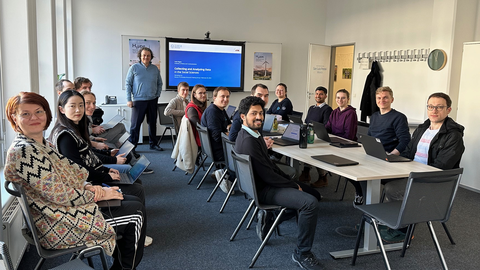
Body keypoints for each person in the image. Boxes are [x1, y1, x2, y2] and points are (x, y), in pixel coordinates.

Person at [4, 92, 146, 269]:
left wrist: (91, 188)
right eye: (25, 113)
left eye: (39, 112)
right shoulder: (24, 151)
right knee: (136, 213)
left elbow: (70, 173)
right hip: (57, 224)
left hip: (64, 209)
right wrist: (98, 194)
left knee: (130, 200)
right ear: (14, 117)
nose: (34, 117)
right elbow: (59, 194)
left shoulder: (39, 144)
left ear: (47, 114)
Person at [235, 96, 322, 270]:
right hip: (264, 189)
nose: (259, 117)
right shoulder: (249, 140)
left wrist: (290, 181)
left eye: (261, 113)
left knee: (314, 194)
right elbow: (267, 174)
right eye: (254, 113)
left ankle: (273, 216)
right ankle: (302, 252)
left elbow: (268, 165)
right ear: (243, 116)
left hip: (261, 183)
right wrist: (292, 185)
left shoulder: (252, 133)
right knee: (309, 203)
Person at [381, 92, 465, 243]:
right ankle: (387, 219)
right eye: (431, 106)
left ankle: (402, 228)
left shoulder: (453, 136)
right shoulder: (422, 128)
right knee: (382, 178)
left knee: (392, 189)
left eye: (439, 107)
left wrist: (412, 173)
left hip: (432, 181)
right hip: (413, 173)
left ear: (449, 110)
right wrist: (392, 161)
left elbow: (440, 167)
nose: (434, 110)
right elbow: (408, 152)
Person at [325, 89, 363, 204]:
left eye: (343, 98)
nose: (340, 100)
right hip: (334, 143)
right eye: (338, 98)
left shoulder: (351, 113)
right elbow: (328, 127)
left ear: (348, 99)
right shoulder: (335, 111)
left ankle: (360, 191)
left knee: (346, 170)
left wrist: (336, 143)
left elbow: (349, 135)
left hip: (347, 146)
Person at [125, 47, 163, 152]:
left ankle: (153, 144)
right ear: (140, 56)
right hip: (138, 100)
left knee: (152, 123)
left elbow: (160, 83)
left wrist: (157, 95)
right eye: (144, 55)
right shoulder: (134, 68)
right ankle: (132, 146)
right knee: (135, 125)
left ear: (151, 57)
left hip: (152, 100)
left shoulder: (155, 69)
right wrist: (129, 99)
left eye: (148, 55)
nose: (146, 57)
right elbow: (128, 84)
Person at [75, 77, 128, 149]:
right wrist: (93, 133)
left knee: (120, 137)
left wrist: (92, 127)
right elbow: (80, 135)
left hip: (92, 137)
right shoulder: (76, 115)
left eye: (94, 103)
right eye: (85, 88)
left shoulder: (86, 114)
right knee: (120, 132)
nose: (92, 106)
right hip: (92, 139)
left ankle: (129, 152)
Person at [201, 87, 233, 193]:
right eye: (222, 96)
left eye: (227, 96)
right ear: (214, 97)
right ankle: (225, 173)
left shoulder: (220, 110)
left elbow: (229, 125)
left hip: (214, 148)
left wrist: (230, 130)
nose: (225, 99)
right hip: (219, 150)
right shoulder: (213, 112)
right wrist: (231, 134)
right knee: (247, 151)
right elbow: (217, 136)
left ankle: (223, 172)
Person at [300, 86, 333, 187]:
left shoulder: (327, 109)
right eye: (317, 94)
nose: (318, 96)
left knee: (313, 153)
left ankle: (323, 177)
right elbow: (306, 121)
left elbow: (326, 125)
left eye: (321, 94)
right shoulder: (311, 108)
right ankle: (306, 173)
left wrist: (314, 130)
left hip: (318, 137)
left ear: (325, 96)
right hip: (308, 134)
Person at [368, 87, 410, 155]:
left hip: (389, 155)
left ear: (392, 100)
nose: (382, 100)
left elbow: (405, 141)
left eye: (385, 97)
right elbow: (369, 138)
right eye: (379, 98)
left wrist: (390, 156)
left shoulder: (399, 117)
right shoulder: (374, 117)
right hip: (374, 154)